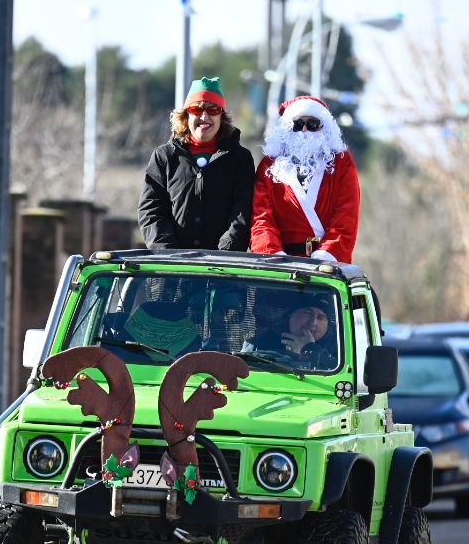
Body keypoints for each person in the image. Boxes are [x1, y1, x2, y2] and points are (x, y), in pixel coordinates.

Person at [138, 77, 255, 252]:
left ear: (222, 117)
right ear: (186, 115)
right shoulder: (164, 156)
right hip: (171, 267)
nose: (204, 116)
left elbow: (243, 212)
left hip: (224, 268)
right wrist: (168, 254)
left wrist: (224, 256)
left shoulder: (240, 159)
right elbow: (151, 210)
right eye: (196, 109)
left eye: (213, 109)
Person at [250, 95, 360, 263]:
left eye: (313, 124)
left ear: (324, 128)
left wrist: (327, 254)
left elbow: (347, 217)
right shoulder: (269, 165)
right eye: (298, 124)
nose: (304, 131)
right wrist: (273, 255)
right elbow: (261, 218)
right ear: (287, 128)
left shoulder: (342, 162)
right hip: (280, 264)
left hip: (327, 264)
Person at [245, 297, 338, 369]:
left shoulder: (339, 349)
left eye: (321, 318)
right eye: (307, 313)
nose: (313, 322)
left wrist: (310, 349)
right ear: (290, 316)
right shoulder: (259, 343)